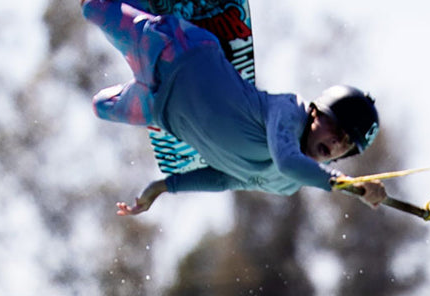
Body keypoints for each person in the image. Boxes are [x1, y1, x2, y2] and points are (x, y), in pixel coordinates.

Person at [80, 0, 388, 216]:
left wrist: (162, 187)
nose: (337, 144)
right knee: (94, 7)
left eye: (346, 145)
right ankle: (147, 10)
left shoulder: (287, 185)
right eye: (338, 130)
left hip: (157, 107)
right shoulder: (288, 111)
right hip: (176, 49)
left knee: (100, 106)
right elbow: (287, 160)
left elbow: (225, 178)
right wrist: (350, 186)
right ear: (317, 113)